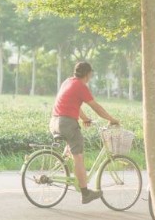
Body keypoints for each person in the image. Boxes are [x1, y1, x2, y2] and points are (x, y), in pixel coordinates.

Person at [50, 61, 121, 204]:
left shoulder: (68, 82)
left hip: (54, 122)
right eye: (91, 74)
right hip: (67, 123)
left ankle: (63, 165)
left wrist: (85, 118)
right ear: (88, 74)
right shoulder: (81, 87)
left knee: (72, 145)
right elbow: (96, 107)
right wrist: (112, 119)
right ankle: (85, 193)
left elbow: (72, 104)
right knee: (79, 157)